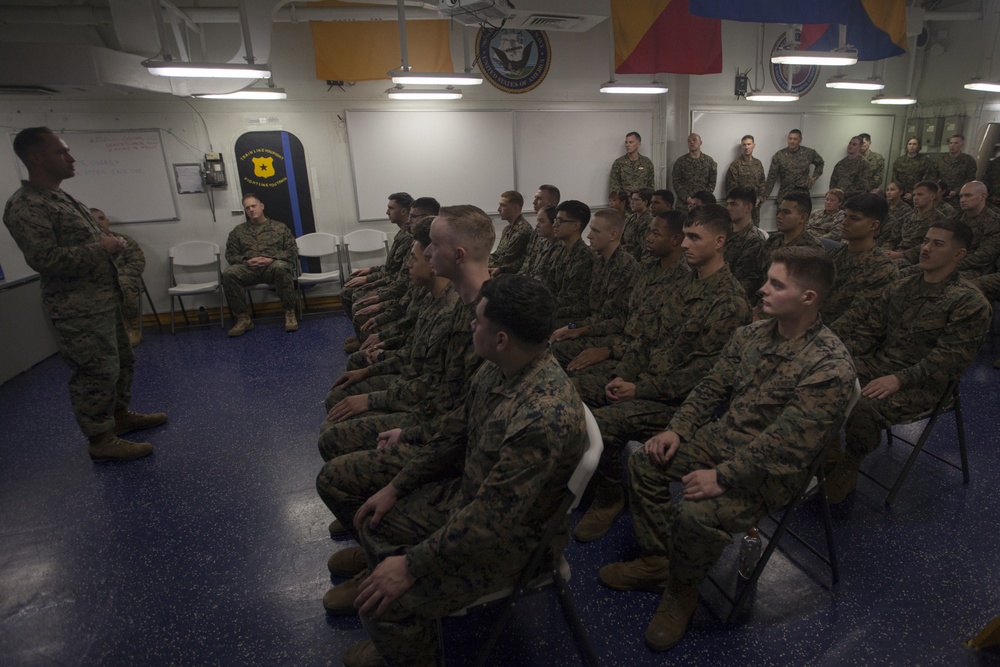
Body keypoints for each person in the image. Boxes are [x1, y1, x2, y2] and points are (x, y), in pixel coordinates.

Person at [599, 246, 855, 652]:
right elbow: (712, 387)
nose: (761, 289)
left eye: (775, 284)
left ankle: (682, 593)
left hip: (774, 469)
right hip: (725, 437)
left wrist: (722, 476)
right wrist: (677, 430)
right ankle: (659, 562)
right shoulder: (750, 336)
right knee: (645, 463)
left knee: (695, 512)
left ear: (808, 298)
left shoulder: (829, 366)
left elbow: (788, 443)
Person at [321, 274, 586, 667]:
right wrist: (396, 486)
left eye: (478, 321)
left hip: (511, 543)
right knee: (374, 522)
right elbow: (454, 433)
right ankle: (400, 620)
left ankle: (404, 644)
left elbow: (491, 523)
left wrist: (411, 565)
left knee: (385, 604)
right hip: (471, 500)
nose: (470, 325)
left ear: (501, 339)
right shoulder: (499, 366)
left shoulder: (541, 415)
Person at [574, 204, 750, 543]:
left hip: (682, 405)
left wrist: (639, 389)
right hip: (645, 382)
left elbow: (701, 376)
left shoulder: (730, 303)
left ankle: (612, 495)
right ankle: (597, 475)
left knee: (601, 424)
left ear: (719, 242)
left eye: (694, 237)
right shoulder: (679, 282)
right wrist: (622, 377)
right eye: (684, 236)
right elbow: (643, 339)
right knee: (574, 395)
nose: (684, 245)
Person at [3, 126, 167, 462]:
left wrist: (108, 248)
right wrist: (102, 247)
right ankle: (100, 438)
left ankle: (119, 418)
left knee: (121, 362)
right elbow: (44, 259)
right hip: (76, 308)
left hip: (103, 300)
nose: (71, 158)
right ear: (36, 157)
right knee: (95, 371)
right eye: (61, 152)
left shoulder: (62, 198)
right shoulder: (27, 206)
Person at [828, 219, 991, 503]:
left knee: (865, 405)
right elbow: (869, 333)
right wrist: (837, 356)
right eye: (926, 241)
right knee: (823, 376)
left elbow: (948, 361)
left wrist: (899, 379)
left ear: (959, 254)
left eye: (937, 244)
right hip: (882, 364)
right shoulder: (900, 288)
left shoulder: (969, 303)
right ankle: (827, 453)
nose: (926, 248)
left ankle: (848, 465)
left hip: (926, 383)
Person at [317, 207, 490, 465]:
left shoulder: (480, 318)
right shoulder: (457, 303)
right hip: (430, 411)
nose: (428, 253)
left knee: (333, 442)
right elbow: (422, 365)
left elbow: (449, 404)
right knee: (336, 415)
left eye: (435, 245)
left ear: (458, 255)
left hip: (442, 431)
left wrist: (380, 407)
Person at [567, 210, 691, 403]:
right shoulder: (647, 270)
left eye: (655, 234)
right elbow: (624, 318)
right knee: (568, 374)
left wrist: (608, 351)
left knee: (571, 386)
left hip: (641, 363)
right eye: (649, 232)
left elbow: (654, 342)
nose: (648, 239)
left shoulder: (683, 282)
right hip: (624, 349)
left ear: (675, 240)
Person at [550, 208, 638, 366]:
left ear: (613, 235)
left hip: (615, 335)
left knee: (558, 347)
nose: (589, 236)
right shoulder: (598, 261)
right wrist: (572, 327)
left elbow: (617, 321)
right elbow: (589, 307)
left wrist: (580, 330)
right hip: (595, 325)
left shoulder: (625, 268)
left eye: (595, 231)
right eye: (590, 229)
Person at [341, 192, 413, 350]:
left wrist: (369, 280)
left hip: (395, 287)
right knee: (348, 288)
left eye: (391, 208)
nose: (387, 212)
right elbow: (390, 267)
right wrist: (370, 271)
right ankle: (361, 334)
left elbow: (396, 277)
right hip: (390, 280)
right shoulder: (401, 233)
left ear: (403, 211)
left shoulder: (409, 238)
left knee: (356, 297)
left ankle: (364, 339)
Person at [223, 193, 300, 337]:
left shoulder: (279, 228)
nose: (251, 210)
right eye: (247, 208)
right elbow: (230, 255)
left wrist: (271, 259)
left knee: (281, 267)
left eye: (254, 206)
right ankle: (243, 318)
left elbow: (292, 251)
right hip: (249, 269)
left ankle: (290, 312)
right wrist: (246, 261)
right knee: (229, 274)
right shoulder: (238, 231)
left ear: (261, 206)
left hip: (272, 267)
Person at [822, 194, 899, 325]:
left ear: (873, 225)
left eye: (854, 218)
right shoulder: (833, 255)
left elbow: (857, 318)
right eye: (845, 216)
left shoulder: (882, 269)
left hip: (842, 338)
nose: (845, 222)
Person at [749, 191, 823, 308]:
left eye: (786, 212)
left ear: (802, 218)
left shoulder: (812, 250)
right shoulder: (774, 240)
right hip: (761, 301)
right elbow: (755, 274)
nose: (779, 216)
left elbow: (801, 298)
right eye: (779, 211)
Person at [90, 207, 146, 346]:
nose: (100, 222)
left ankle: (133, 327)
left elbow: (138, 262)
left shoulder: (123, 240)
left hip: (124, 277)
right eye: (94, 220)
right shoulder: (88, 246)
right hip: (97, 281)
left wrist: (115, 274)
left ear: (107, 221)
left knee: (121, 285)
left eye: (102, 219)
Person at [547, 200, 595, 327]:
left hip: (572, 315)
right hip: (555, 309)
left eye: (560, 221)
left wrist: (544, 309)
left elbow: (578, 304)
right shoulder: (560, 251)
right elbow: (550, 286)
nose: (554, 225)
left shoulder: (584, 257)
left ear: (576, 226)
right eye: (555, 220)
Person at [884, 180, 945, 267]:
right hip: (896, 254)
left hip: (917, 260)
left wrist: (900, 255)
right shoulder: (907, 217)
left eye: (920, 195)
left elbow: (930, 247)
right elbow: (893, 239)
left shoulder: (939, 220)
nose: (915, 198)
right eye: (914, 195)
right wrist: (885, 251)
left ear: (932, 196)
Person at [724, 186, 765, 298]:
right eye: (727, 204)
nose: (728, 208)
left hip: (733, 298)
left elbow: (744, 283)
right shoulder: (724, 232)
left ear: (748, 208)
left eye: (733, 204)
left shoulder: (754, 240)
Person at [762, 129, 825, 203]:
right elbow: (772, 177)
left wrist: (814, 178)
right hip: (785, 194)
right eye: (790, 138)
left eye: (795, 139)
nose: (792, 141)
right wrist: (765, 195)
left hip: (802, 194)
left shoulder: (809, 153)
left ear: (800, 140)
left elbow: (820, 163)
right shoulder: (779, 155)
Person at [954, 181, 1000, 278]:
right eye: (961, 196)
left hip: (977, 270)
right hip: (952, 261)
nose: (962, 200)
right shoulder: (956, 218)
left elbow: (983, 257)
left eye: (968, 196)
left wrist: (949, 265)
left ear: (983, 196)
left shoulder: (994, 222)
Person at [725, 134, 766, 226]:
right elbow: (732, 187)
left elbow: (762, 183)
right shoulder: (735, 165)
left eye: (749, 144)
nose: (746, 147)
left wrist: (759, 199)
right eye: (744, 145)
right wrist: (742, 202)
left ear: (753, 145)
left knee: (754, 232)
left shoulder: (758, 164)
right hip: (740, 208)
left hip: (755, 207)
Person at [489, 190, 532, 275]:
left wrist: (481, 266)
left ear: (515, 208)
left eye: (503, 205)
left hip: (509, 276)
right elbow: (498, 254)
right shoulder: (507, 229)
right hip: (500, 271)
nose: (498, 209)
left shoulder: (523, 230)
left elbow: (506, 260)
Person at [672, 133, 717, 212]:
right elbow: (676, 182)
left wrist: (702, 199)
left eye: (694, 140)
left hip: (703, 205)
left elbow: (712, 182)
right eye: (689, 141)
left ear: (701, 143)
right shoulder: (680, 161)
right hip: (684, 206)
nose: (691, 142)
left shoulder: (709, 161)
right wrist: (687, 198)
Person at [935, 134, 978, 203]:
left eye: (956, 143)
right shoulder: (940, 159)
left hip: (959, 197)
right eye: (951, 143)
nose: (952, 145)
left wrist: (956, 192)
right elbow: (934, 177)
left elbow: (970, 179)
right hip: (941, 196)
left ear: (962, 144)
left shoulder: (968, 160)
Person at [892, 136, 934, 203]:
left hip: (917, 197)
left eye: (914, 144)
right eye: (909, 144)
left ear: (918, 146)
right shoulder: (899, 160)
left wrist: (913, 193)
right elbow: (895, 178)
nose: (911, 146)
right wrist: (899, 192)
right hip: (900, 195)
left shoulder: (924, 161)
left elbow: (925, 180)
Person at [829, 136, 872, 202]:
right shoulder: (841, 163)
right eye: (850, 143)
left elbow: (862, 185)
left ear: (860, 147)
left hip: (854, 200)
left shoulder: (864, 164)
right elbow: (833, 181)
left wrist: (843, 192)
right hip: (838, 200)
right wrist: (835, 194)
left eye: (854, 144)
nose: (850, 146)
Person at [875, 181, 913, 250]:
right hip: (879, 236)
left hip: (893, 240)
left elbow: (902, 231)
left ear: (901, 192)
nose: (889, 192)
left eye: (892, 190)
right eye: (887, 190)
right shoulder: (883, 205)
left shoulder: (906, 209)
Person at [622, 188, 653, 260]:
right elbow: (622, 240)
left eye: (636, 200)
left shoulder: (648, 221)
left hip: (637, 258)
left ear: (645, 202)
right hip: (627, 255)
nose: (631, 203)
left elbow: (645, 248)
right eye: (631, 199)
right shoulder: (630, 218)